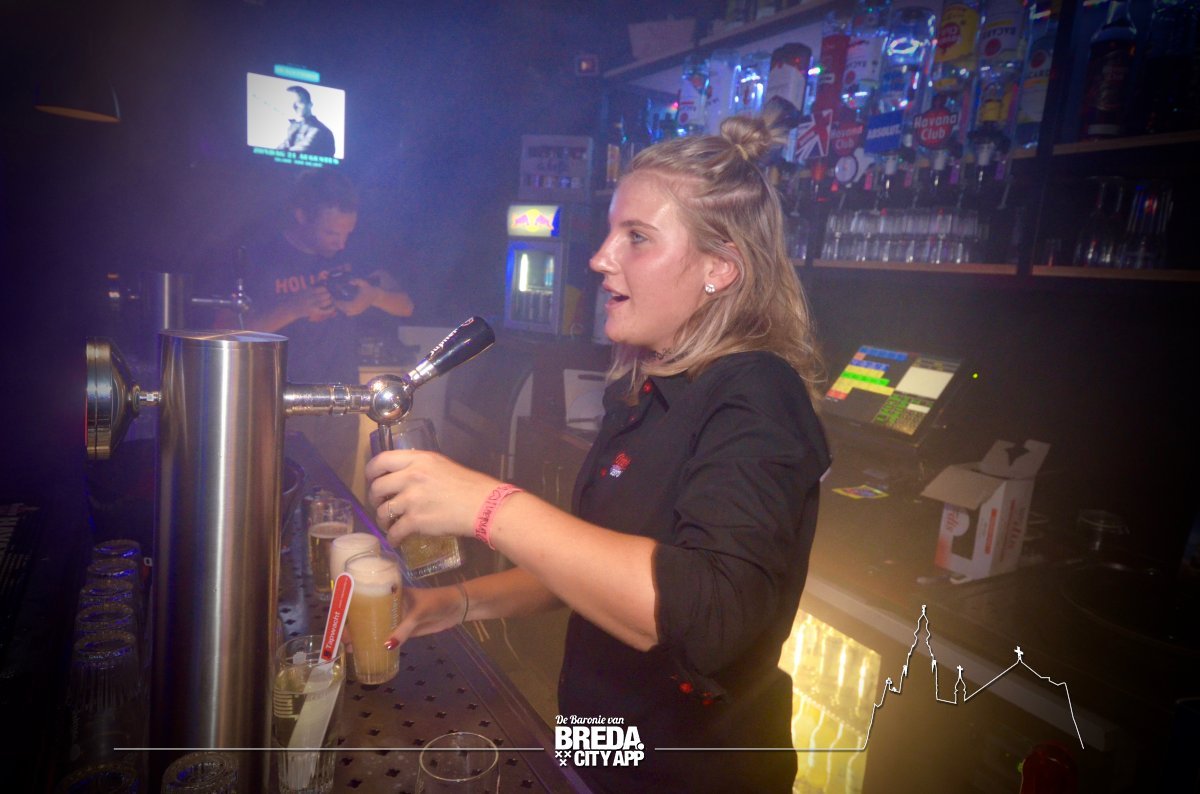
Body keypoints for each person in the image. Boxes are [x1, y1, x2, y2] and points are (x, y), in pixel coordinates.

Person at [364, 113, 829, 793]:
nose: (600, 257)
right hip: (600, 749)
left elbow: (708, 615)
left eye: (636, 237)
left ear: (720, 268)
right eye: (612, 232)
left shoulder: (758, 391)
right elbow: (590, 563)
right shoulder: (644, 388)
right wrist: (454, 604)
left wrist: (488, 507)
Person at [215, 169, 414, 481]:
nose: (341, 243)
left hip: (342, 403)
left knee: (335, 494)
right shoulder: (259, 257)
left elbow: (406, 305)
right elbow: (224, 335)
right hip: (279, 404)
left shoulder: (354, 254)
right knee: (279, 491)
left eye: (347, 233)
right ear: (301, 216)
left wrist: (373, 297)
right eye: (332, 233)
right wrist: (292, 308)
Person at [278, 85, 336, 157]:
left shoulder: (319, 130)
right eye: (292, 103)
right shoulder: (294, 127)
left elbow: (299, 152)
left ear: (310, 104)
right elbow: (281, 148)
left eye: (299, 102)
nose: (294, 107)